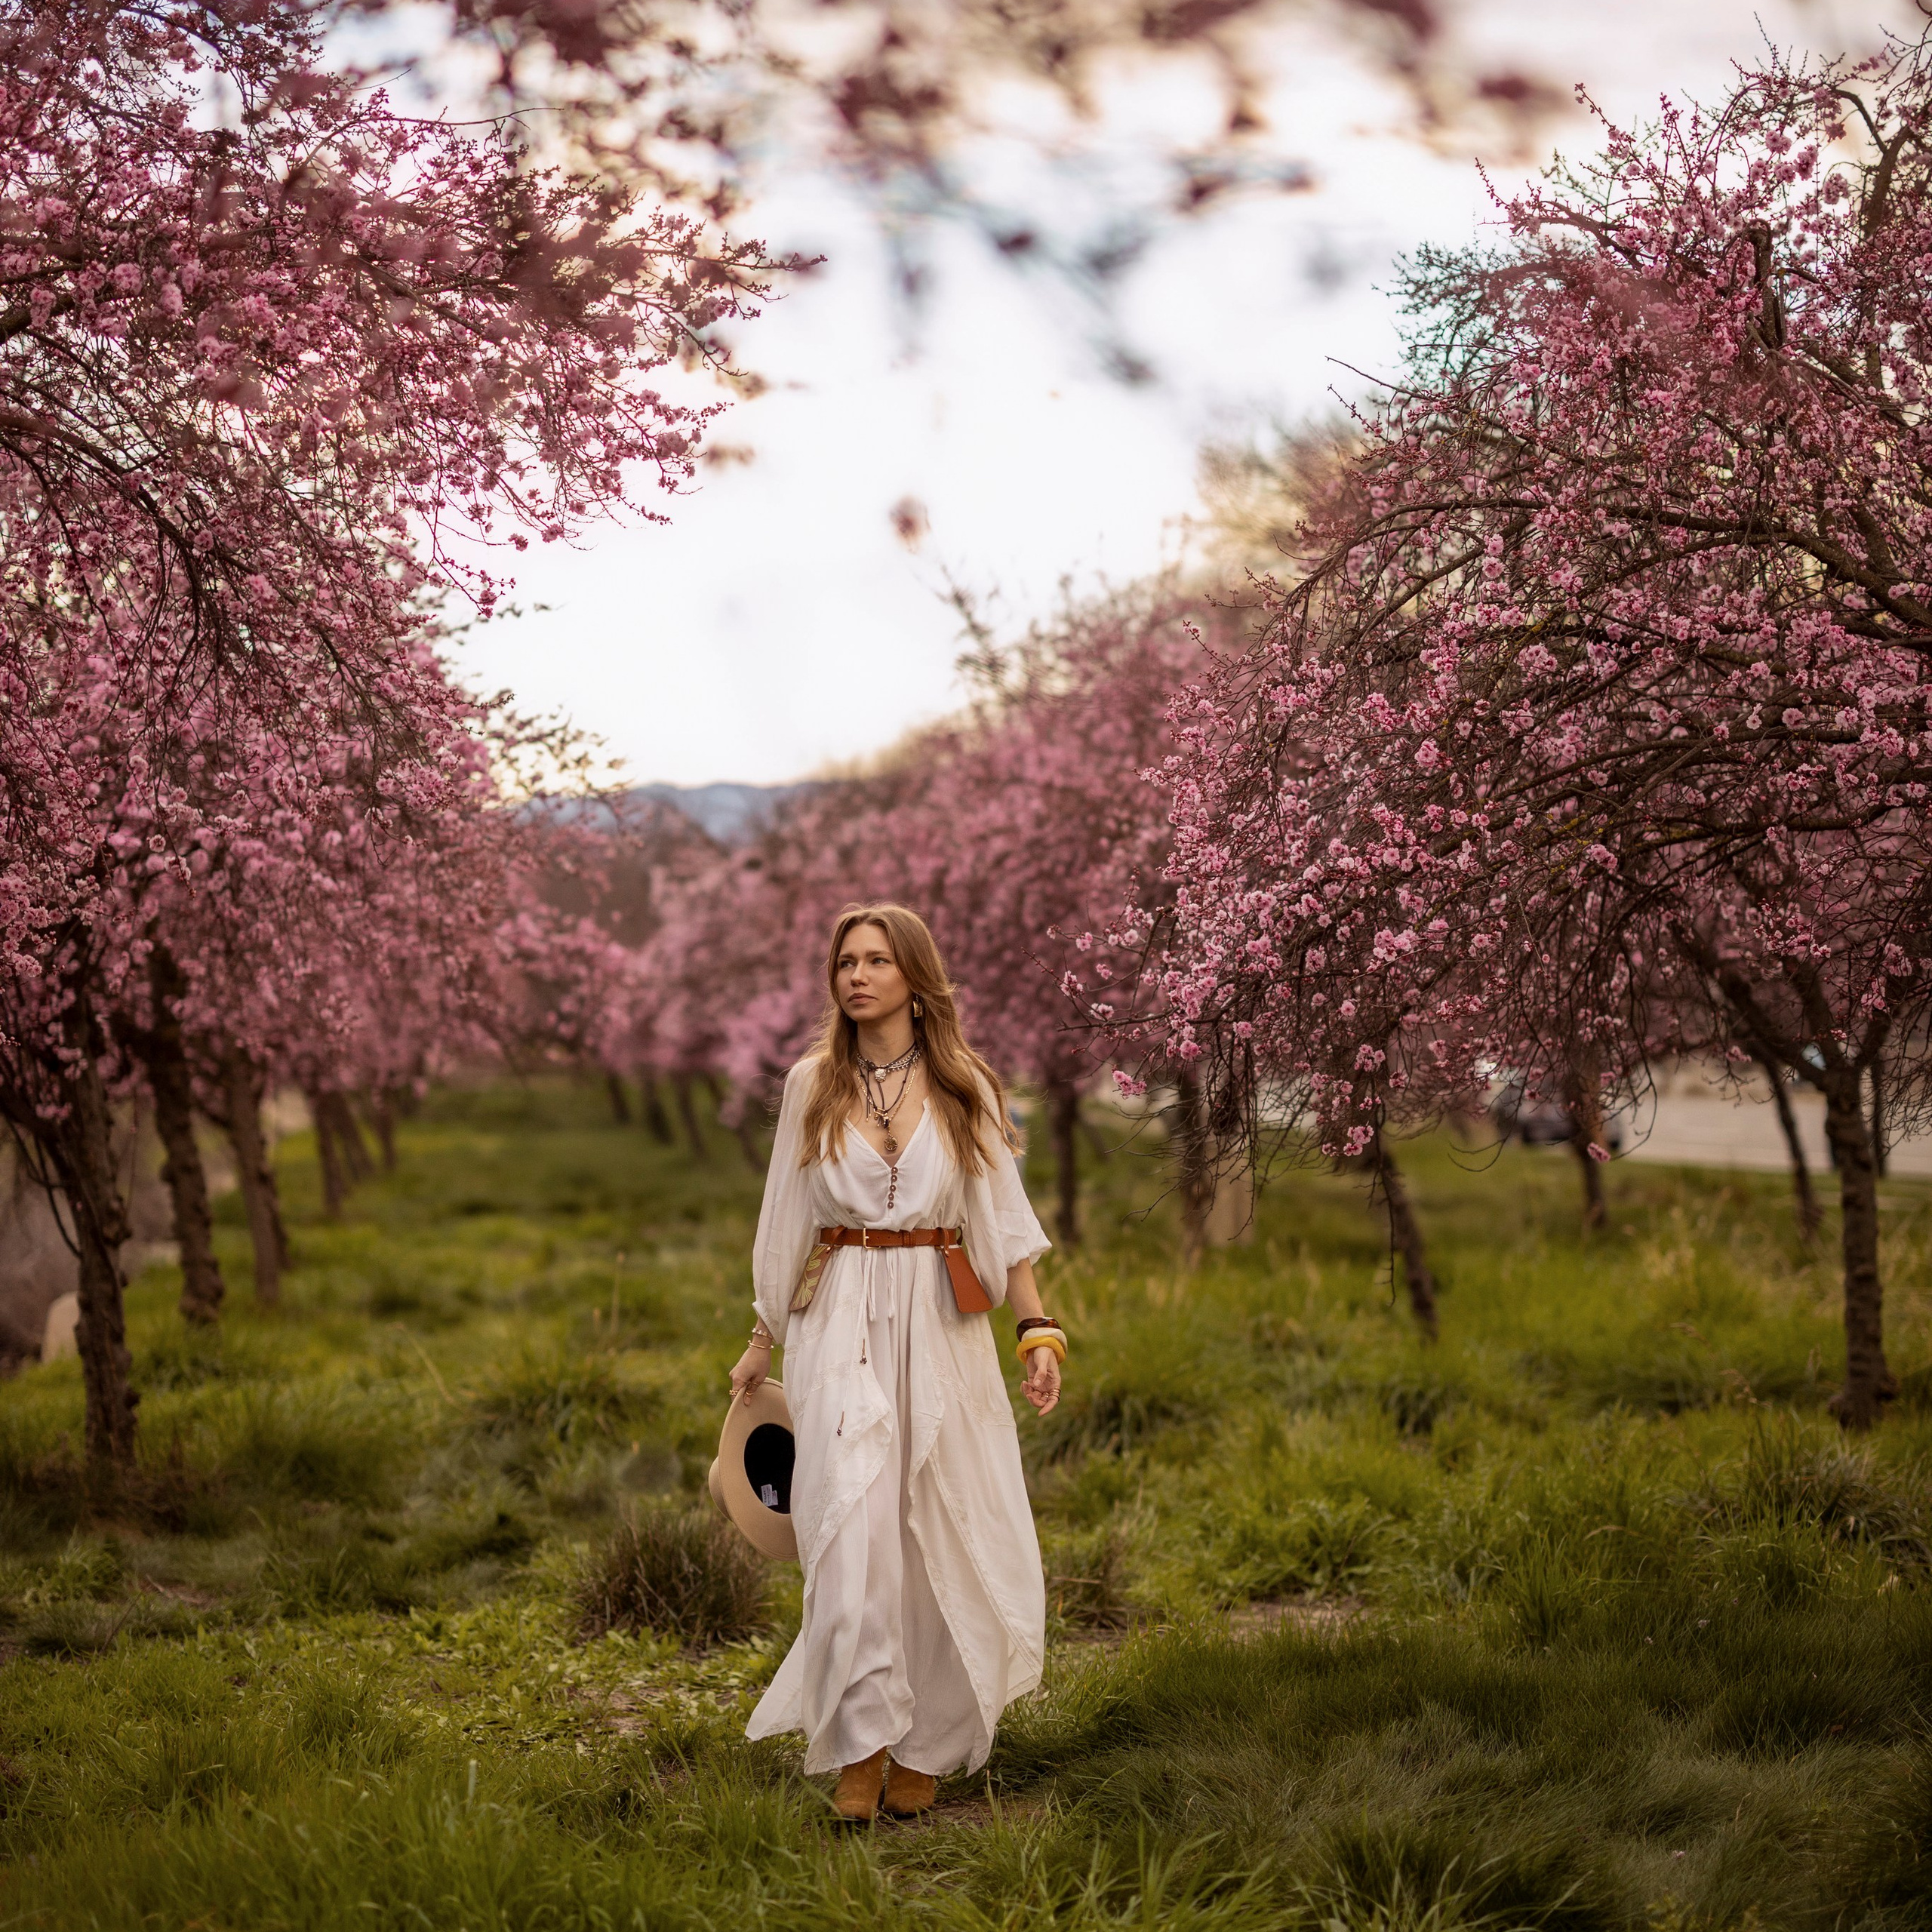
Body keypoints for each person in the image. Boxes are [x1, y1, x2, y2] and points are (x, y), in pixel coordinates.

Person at [730, 902, 1067, 1823]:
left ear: (915, 978)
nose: (858, 976)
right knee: (851, 1528)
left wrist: (1038, 1331)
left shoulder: (966, 1085)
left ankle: (926, 1742)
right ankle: (862, 1744)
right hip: (841, 1313)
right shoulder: (811, 1083)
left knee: (934, 1527)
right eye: (846, 961)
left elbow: (1004, 1224)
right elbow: (783, 1221)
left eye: (878, 960)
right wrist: (763, 1339)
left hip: (941, 1319)